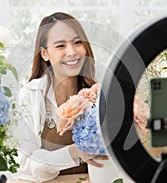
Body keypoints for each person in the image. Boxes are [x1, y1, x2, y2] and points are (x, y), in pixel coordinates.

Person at [10, 12, 108, 182]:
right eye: (60, 46)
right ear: (45, 54)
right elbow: (25, 164)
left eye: (77, 43)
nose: (71, 52)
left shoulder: (99, 93)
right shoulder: (30, 96)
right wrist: (75, 152)